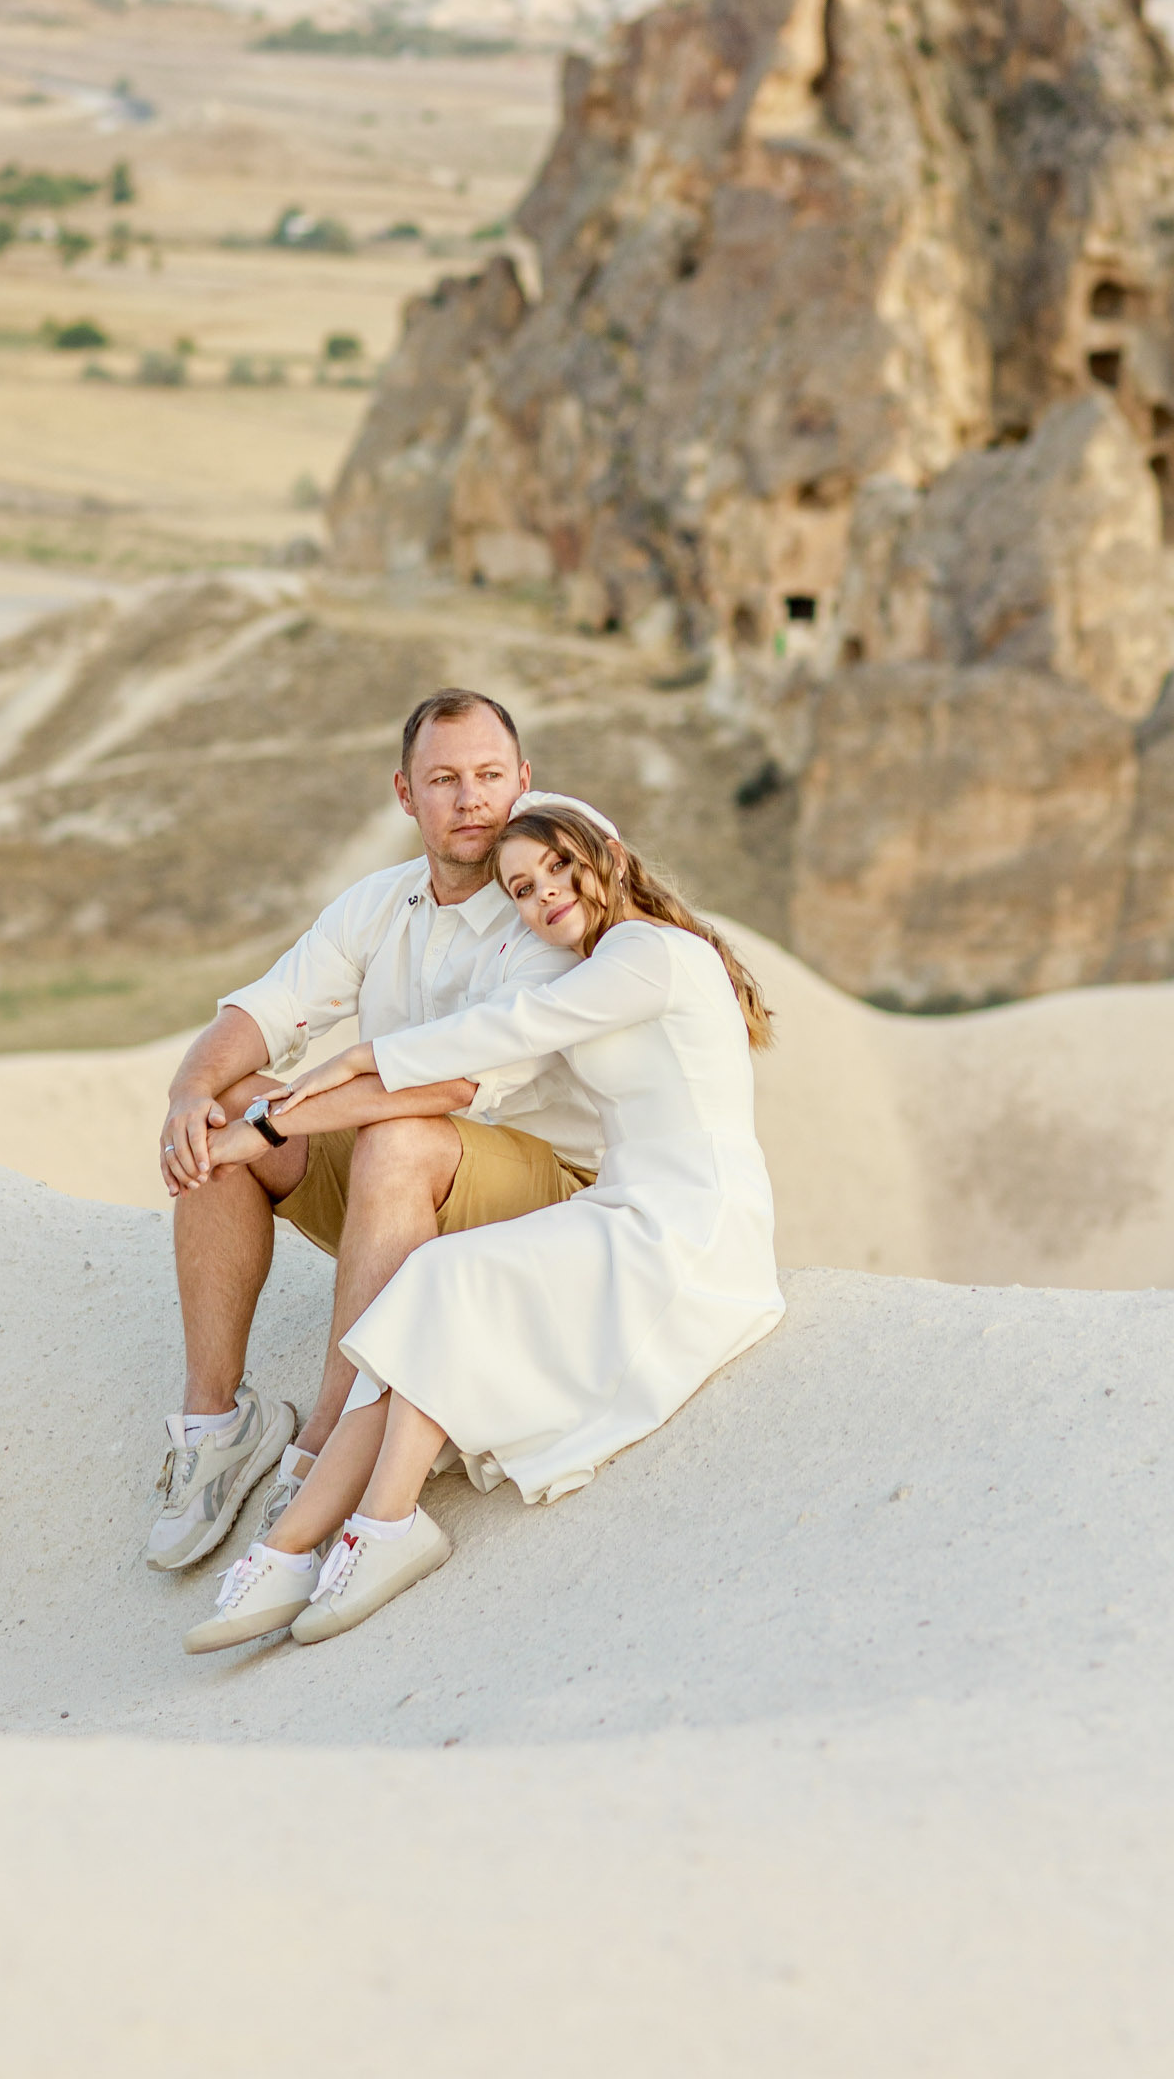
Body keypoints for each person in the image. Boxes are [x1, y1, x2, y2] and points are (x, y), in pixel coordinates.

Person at [180, 800, 783, 1651]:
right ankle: (286, 1553)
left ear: (608, 856)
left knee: (438, 1278)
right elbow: (501, 1038)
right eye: (525, 889)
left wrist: (350, 1063)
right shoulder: (600, 960)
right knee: (425, 1293)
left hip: (693, 1227)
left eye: (560, 871)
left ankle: (383, 1526)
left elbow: (508, 1032)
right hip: (626, 1205)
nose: (546, 898)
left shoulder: (650, 954)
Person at [145, 689, 601, 1575]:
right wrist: (190, 1093)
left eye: (488, 776)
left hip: (548, 1193)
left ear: (524, 781)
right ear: (405, 795)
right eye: (444, 779)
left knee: (397, 1131)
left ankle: (324, 1445)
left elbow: (458, 1084)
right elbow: (268, 1008)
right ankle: (217, 1426)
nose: (471, 799)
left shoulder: (545, 906)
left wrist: (277, 1122)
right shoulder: (379, 903)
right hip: (410, 1176)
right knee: (223, 1111)